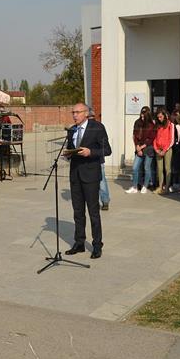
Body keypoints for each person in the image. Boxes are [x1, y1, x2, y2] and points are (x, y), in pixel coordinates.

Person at [64, 102, 110, 259]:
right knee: (78, 212)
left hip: (90, 175)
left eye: (77, 112)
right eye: (73, 112)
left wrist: (91, 152)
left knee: (93, 212)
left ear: (86, 113)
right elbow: (71, 147)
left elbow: (107, 150)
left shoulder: (97, 127)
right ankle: (79, 243)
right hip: (75, 175)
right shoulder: (72, 130)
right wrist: (68, 153)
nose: (75, 115)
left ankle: (97, 245)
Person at [126, 107, 154, 194]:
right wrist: (137, 147)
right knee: (135, 168)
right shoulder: (137, 122)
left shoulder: (151, 124)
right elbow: (134, 135)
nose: (142, 117)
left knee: (146, 167)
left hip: (148, 148)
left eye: (144, 116)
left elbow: (151, 139)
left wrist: (142, 147)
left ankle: (145, 186)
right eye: (141, 115)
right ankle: (134, 187)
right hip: (138, 148)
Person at [153, 107, 175, 194]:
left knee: (167, 168)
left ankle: (166, 187)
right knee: (159, 168)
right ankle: (160, 186)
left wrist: (165, 150)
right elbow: (155, 139)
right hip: (158, 150)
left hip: (167, 149)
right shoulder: (158, 125)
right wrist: (156, 149)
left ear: (165, 116)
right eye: (158, 117)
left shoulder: (170, 125)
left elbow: (171, 139)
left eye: (161, 117)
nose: (159, 119)